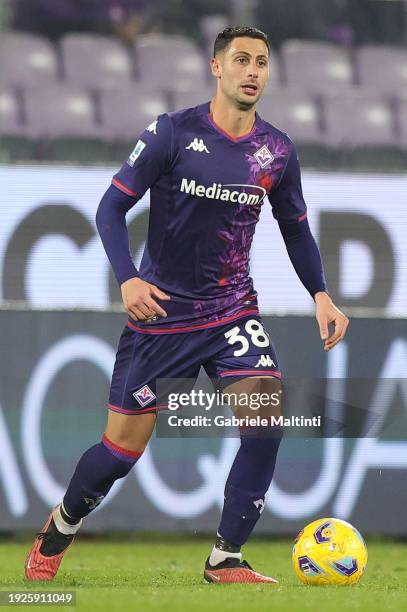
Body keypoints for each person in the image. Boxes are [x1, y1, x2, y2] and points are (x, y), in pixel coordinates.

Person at [24, 25, 349, 584]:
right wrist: (127, 280)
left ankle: (226, 557)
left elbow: (296, 230)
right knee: (120, 452)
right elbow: (108, 210)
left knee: (266, 417)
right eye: (241, 60)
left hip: (231, 311)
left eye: (262, 62)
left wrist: (320, 294)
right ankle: (60, 525)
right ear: (216, 67)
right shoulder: (171, 134)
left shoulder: (276, 151)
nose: (253, 71)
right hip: (161, 315)